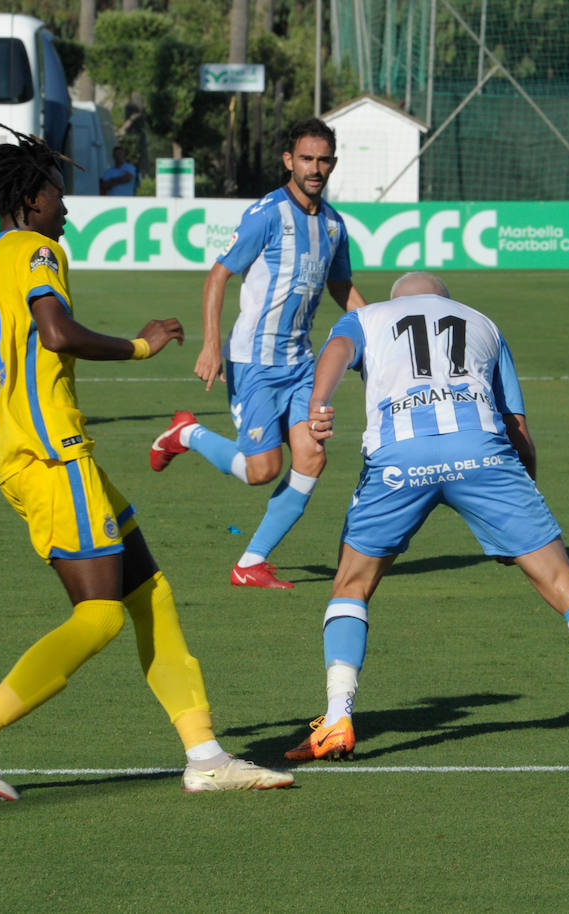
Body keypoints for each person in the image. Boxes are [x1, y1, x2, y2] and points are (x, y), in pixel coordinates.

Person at [0, 125, 293, 800]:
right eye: (59, 197)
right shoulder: (34, 253)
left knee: (150, 593)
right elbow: (57, 330)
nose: (67, 210)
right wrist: (142, 346)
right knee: (101, 616)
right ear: (30, 200)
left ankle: (205, 755)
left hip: (32, 462)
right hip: (56, 459)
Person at [283, 272, 569, 764]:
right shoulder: (483, 323)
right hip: (484, 457)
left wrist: (319, 402)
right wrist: (520, 506)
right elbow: (516, 425)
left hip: (399, 460)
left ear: (398, 299)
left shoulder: (365, 316)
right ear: (445, 301)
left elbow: (338, 351)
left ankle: (338, 718)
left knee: (351, 585)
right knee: (564, 583)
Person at [148, 117, 368, 589]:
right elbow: (217, 275)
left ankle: (250, 562)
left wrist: (380, 333)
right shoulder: (266, 214)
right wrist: (211, 345)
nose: (315, 168)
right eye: (306, 158)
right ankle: (186, 434)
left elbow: (341, 287)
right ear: (289, 161)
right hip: (254, 363)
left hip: (302, 364)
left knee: (311, 457)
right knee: (262, 470)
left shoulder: (333, 225)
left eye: (323, 159)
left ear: (333, 163)